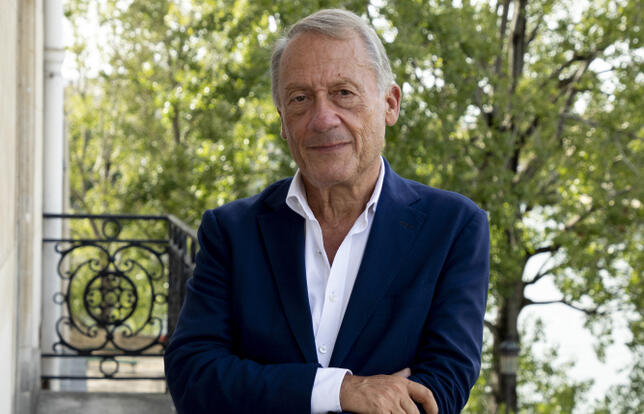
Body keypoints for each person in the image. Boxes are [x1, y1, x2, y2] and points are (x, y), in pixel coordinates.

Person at [164, 9, 489, 414]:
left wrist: (262, 387)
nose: (322, 118)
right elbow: (193, 377)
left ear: (390, 104)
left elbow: (439, 392)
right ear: (283, 121)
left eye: (343, 93)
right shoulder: (231, 231)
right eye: (300, 99)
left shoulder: (454, 227)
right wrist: (340, 390)